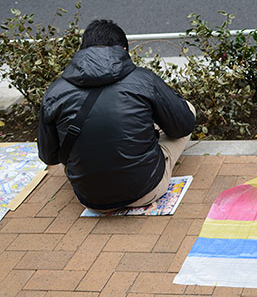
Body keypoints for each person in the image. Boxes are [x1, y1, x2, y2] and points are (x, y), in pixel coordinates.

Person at [38, 19, 196, 212]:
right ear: (123, 49)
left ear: (83, 49)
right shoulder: (143, 79)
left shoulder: (55, 91)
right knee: (186, 109)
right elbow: (183, 125)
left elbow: (49, 156)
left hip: (91, 199)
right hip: (146, 190)